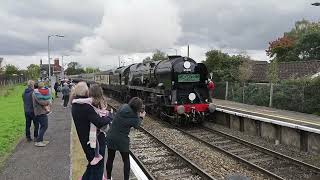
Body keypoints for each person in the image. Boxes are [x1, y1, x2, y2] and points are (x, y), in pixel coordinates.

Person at [71, 82, 111, 180]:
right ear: (86, 93)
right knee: (98, 168)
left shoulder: (76, 104)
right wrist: (110, 116)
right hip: (93, 143)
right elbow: (100, 122)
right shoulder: (86, 107)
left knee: (92, 164)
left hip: (85, 140)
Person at [106, 97, 146, 180]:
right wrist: (141, 117)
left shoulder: (123, 107)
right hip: (122, 140)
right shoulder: (135, 117)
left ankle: (109, 178)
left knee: (110, 158)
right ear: (138, 108)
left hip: (111, 136)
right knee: (126, 160)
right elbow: (137, 126)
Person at [32, 82, 51, 147]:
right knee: (44, 126)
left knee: (43, 126)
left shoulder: (38, 93)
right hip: (40, 112)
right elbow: (41, 102)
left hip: (41, 112)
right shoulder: (36, 93)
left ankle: (41, 140)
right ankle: (38, 141)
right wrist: (48, 102)